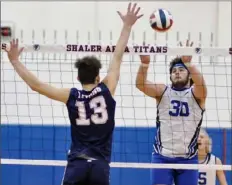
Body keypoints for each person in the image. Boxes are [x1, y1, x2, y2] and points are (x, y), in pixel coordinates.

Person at [3, 3, 143, 185]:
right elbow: (117, 56)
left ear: (78, 77)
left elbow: (36, 85)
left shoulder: (71, 95)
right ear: (98, 76)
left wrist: (15, 61)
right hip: (100, 164)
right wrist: (127, 26)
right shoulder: (107, 89)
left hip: (78, 163)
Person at [136, 40, 207, 185]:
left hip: (188, 159)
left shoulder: (197, 94)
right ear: (170, 76)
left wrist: (189, 64)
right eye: (174, 71)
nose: (177, 73)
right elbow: (140, 84)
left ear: (189, 74)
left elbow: (202, 86)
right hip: (162, 157)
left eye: (181, 70)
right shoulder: (163, 91)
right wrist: (144, 64)